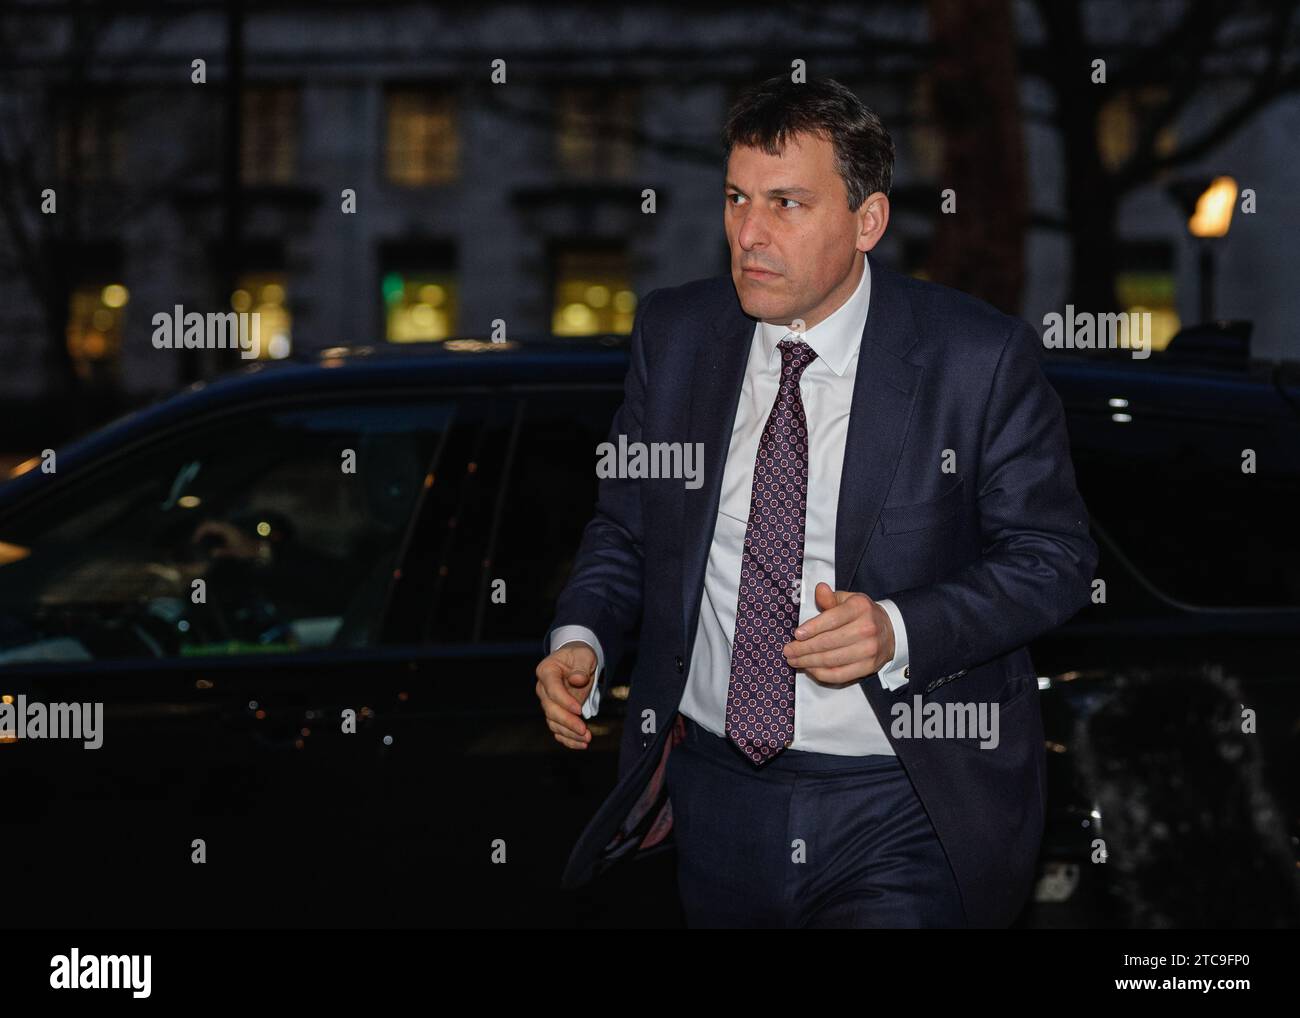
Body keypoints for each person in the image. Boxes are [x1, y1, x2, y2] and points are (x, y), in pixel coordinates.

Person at [534, 75, 1097, 928]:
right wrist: (583, 636)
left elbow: (1053, 561)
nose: (748, 235)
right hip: (717, 796)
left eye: (787, 203)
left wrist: (898, 629)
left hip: (903, 802)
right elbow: (628, 525)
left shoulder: (973, 358)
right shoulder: (677, 336)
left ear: (866, 222)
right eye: (736, 199)